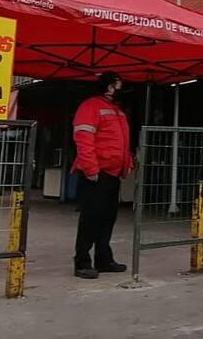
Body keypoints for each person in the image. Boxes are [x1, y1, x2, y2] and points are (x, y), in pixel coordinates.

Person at [72, 71, 133, 279]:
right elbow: (83, 138)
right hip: (97, 174)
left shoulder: (115, 110)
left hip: (112, 174)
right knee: (91, 218)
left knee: (107, 218)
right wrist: (91, 169)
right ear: (109, 86)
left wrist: (127, 162)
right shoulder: (91, 107)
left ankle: (103, 259)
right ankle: (82, 261)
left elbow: (120, 142)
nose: (121, 88)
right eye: (118, 84)